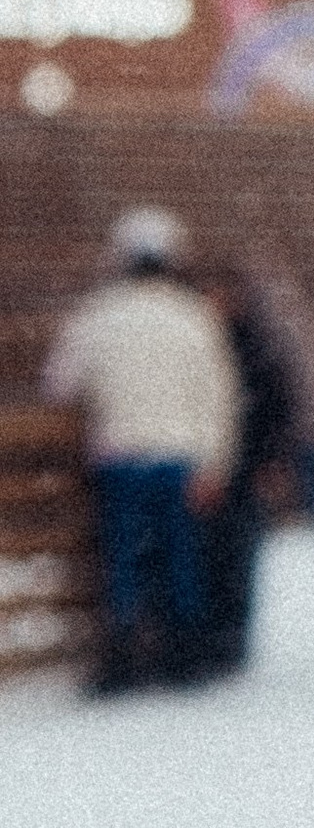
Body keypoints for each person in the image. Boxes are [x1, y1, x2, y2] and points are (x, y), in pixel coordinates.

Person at [42, 206, 241, 696]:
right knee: (180, 556)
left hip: (119, 455)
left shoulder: (97, 313)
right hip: (179, 456)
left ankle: (123, 654)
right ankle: (183, 652)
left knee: (124, 558)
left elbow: (60, 383)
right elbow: (218, 395)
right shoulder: (194, 316)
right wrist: (215, 464)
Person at [193, 264, 301, 678]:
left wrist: (272, 462)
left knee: (238, 552)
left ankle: (232, 638)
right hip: (211, 463)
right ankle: (211, 635)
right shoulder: (207, 342)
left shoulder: (256, 345)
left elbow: (278, 406)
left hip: (246, 465)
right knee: (210, 552)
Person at [248, 257, 314, 521]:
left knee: (310, 474)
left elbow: (296, 382)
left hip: (304, 420)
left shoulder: (278, 331)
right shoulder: (303, 326)